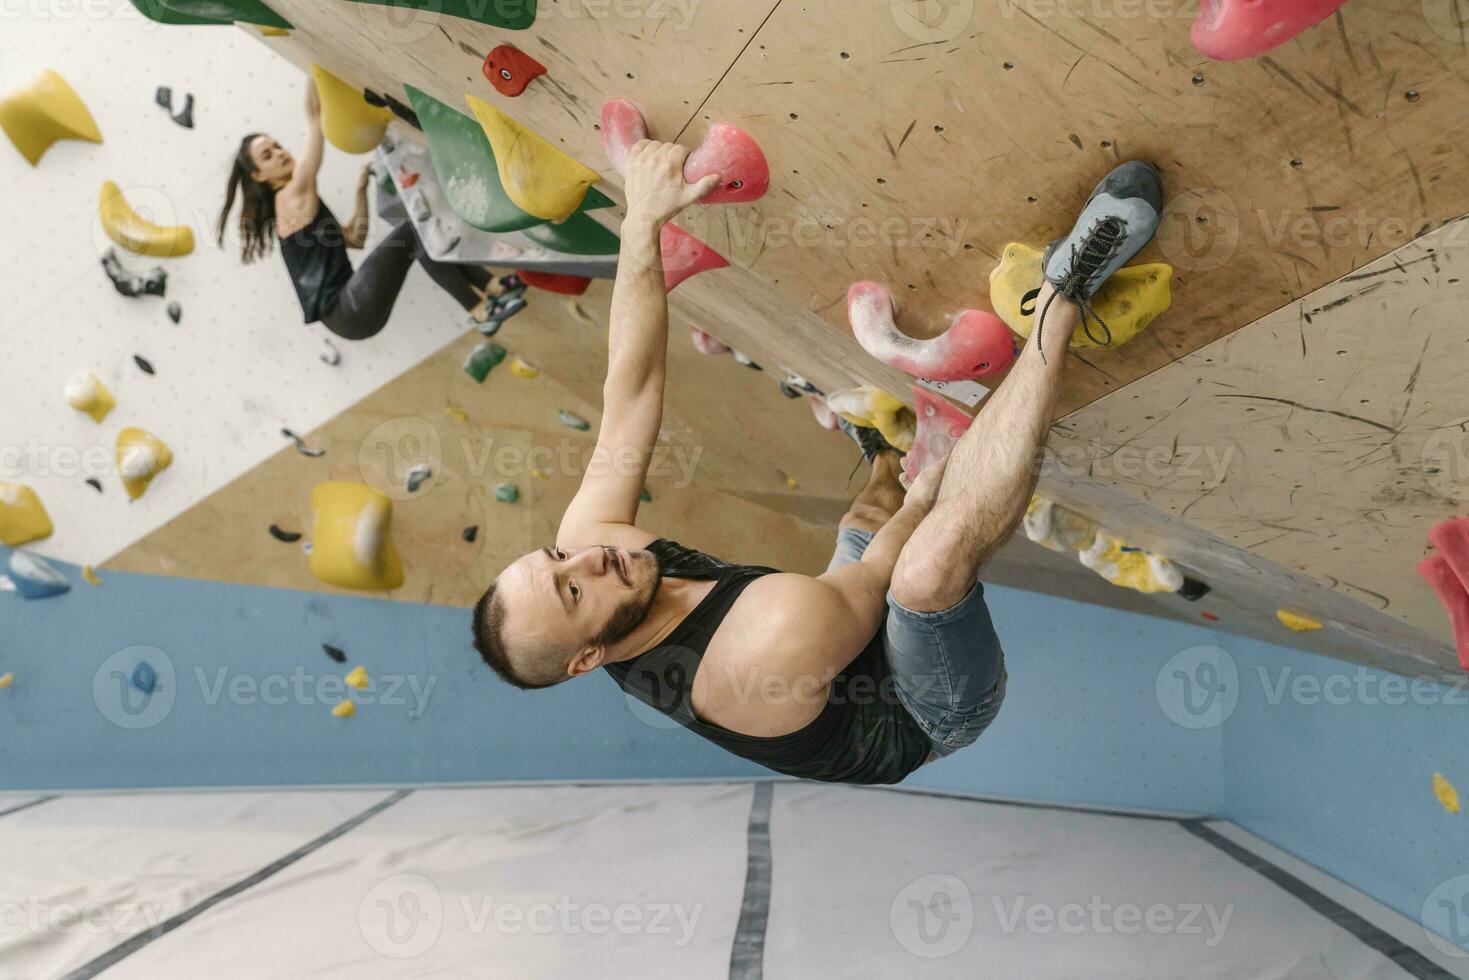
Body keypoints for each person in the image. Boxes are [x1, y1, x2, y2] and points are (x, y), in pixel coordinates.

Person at [471, 137, 1163, 785]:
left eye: (552, 557)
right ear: (588, 659)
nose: (584, 559)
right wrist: (934, 481)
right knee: (924, 571)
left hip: (829, 634)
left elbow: (630, 390)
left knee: (869, 510)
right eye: (570, 591)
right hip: (922, 711)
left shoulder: (594, 551)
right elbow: (884, 567)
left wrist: (639, 225)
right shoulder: (759, 650)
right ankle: (1066, 291)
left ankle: (890, 455)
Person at [216, 81, 521, 341]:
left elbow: (354, 238)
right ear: (258, 176)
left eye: (278, 146)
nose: (281, 153)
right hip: (348, 308)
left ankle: (492, 288)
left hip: (352, 316)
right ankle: (480, 309)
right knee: (415, 232)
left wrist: (360, 190)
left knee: (416, 235)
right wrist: (317, 71)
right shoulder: (290, 196)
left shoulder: (300, 204)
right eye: (268, 155)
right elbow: (314, 119)